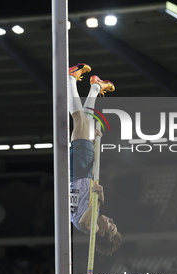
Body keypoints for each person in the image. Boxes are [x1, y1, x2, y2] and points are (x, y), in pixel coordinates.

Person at [68, 63, 122, 256]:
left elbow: (84, 222)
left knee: (80, 120)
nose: (111, 222)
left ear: (101, 233)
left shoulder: (88, 226)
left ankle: (71, 78)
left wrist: (97, 201)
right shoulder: (94, 219)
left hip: (79, 171)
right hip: (86, 171)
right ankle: (95, 86)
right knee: (88, 123)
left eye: (111, 227)